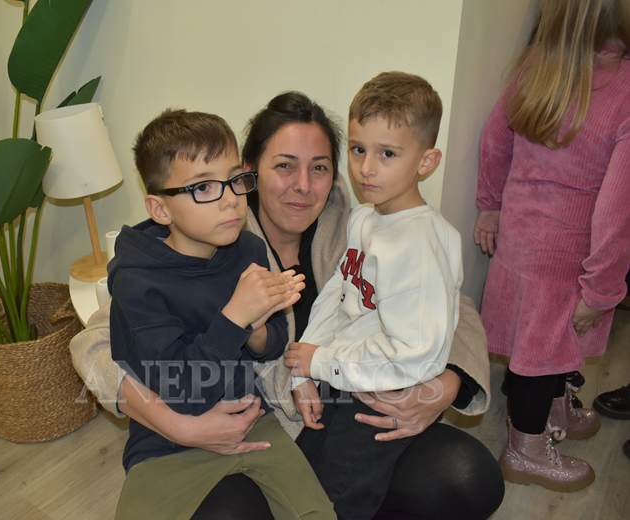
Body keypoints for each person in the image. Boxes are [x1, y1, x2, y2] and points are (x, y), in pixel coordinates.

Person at [71, 92, 504, 519]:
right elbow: (95, 343)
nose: (302, 185)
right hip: (264, 424)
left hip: (355, 410)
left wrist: (445, 385)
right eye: (284, 166)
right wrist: (172, 423)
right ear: (252, 169)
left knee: (467, 476)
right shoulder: (215, 236)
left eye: (319, 168)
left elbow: (452, 304)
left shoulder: (359, 227)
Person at [109, 109, 335, 519]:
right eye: (203, 187)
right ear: (160, 209)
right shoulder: (137, 282)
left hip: (253, 420)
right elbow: (180, 389)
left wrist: (257, 331)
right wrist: (235, 316)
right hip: (168, 445)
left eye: (234, 179)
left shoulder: (248, 249)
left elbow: (272, 344)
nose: (231, 198)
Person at [283, 72, 463, 518]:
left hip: (381, 396)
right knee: (304, 481)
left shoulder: (419, 246)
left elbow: (413, 353)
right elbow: (339, 290)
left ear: (426, 161)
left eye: (388, 154)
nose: (366, 168)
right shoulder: (365, 218)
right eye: (359, 149)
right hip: (345, 373)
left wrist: (320, 362)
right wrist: (305, 362)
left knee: (338, 500)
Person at [475, 0, 630, 492]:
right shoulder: (626, 88)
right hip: (568, 250)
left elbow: (495, 139)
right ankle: (525, 448)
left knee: (537, 341)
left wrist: (490, 205)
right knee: (541, 354)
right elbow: (618, 211)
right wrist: (602, 289)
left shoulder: (536, 64)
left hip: (521, 237)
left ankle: (553, 409)